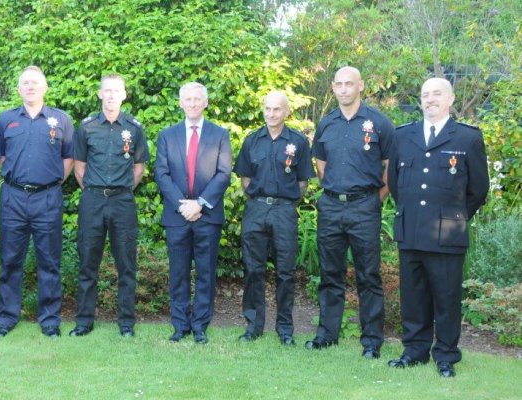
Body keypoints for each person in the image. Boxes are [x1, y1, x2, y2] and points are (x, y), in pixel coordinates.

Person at [387, 78, 489, 377]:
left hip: (447, 234)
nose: (430, 99)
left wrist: (455, 218)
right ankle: (414, 350)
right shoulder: (403, 135)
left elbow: (478, 190)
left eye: (436, 94)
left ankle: (445, 355)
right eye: (425, 95)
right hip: (411, 230)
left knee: (446, 298)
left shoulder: (467, 138)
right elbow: (394, 183)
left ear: (450, 99)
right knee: (413, 296)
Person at [307, 66, 395, 359]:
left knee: (368, 275)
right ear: (333, 88)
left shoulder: (379, 123)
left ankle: (371, 340)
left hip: (364, 207)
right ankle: (327, 334)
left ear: (361, 86)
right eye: (338, 85)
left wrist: (374, 199)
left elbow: (390, 167)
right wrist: (334, 189)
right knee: (330, 274)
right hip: (331, 206)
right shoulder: (326, 124)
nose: (343, 89)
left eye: (349, 84)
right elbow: (320, 164)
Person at [0, 66, 74, 338]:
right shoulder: (5, 120)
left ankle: (50, 320)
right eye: (25, 83)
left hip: (48, 198)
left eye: (35, 83)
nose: (30, 87)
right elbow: (1, 157)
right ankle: (6, 318)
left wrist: (50, 184)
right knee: (10, 260)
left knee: (49, 261)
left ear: (45, 88)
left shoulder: (60, 120)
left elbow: (69, 158)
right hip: (13, 198)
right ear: (18, 89)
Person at [70, 74, 149, 338]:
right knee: (88, 262)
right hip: (92, 199)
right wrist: (95, 190)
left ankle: (126, 322)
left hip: (122, 201)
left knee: (126, 263)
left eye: (117, 91)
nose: (112, 95)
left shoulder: (134, 128)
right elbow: (79, 167)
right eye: (108, 90)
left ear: (124, 95)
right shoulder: (87, 127)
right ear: (100, 94)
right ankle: (84, 322)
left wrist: (122, 188)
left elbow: (139, 167)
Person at [233, 91, 315, 345]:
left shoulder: (298, 142)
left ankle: (285, 329)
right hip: (256, 209)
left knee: (286, 272)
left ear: (287, 111)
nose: (271, 114)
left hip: (284, 211)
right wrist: (259, 200)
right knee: (253, 269)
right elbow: (245, 178)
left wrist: (285, 201)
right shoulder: (252, 141)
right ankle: (254, 326)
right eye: (267, 109)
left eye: (277, 109)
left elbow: (303, 182)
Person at [155, 82, 231, 344]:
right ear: (180, 103)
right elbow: (161, 174)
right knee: (178, 272)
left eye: (197, 99)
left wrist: (199, 204)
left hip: (207, 216)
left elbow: (223, 175)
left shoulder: (220, 134)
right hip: (177, 217)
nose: (193, 103)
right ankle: (179, 325)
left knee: (206, 272)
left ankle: (200, 325)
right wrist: (182, 205)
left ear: (206, 102)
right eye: (187, 99)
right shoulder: (167, 135)